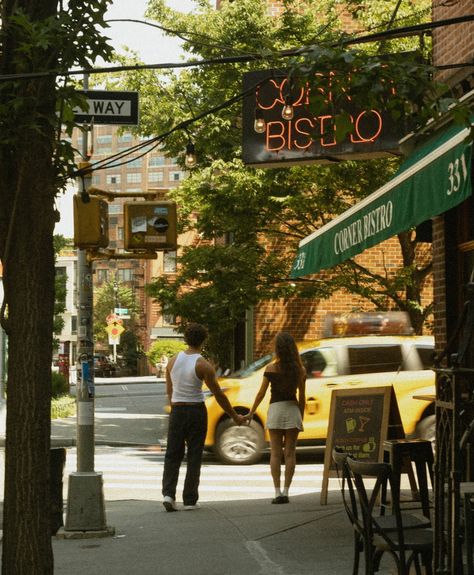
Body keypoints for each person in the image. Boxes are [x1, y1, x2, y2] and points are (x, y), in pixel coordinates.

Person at [162, 323, 244, 512]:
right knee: (194, 454)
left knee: (172, 454)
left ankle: (168, 494)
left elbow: (169, 390)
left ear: (185, 339)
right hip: (196, 411)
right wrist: (234, 415)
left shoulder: (172, 361)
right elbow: (218, 394)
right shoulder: (203, 364)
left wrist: (174, 406)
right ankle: (189, 499)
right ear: (203, 341)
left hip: (177, 410)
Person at [246, 332, 306, 504]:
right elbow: (302, 396)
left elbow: (261, 394)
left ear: (278, 349)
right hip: (292, 409)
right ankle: (287, 491)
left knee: (275, 453)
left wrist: (251, 412)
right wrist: (300, 416)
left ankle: (277, 492)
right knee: (290, 453)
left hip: (276, 410)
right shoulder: (300, 370)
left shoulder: (271, 369)